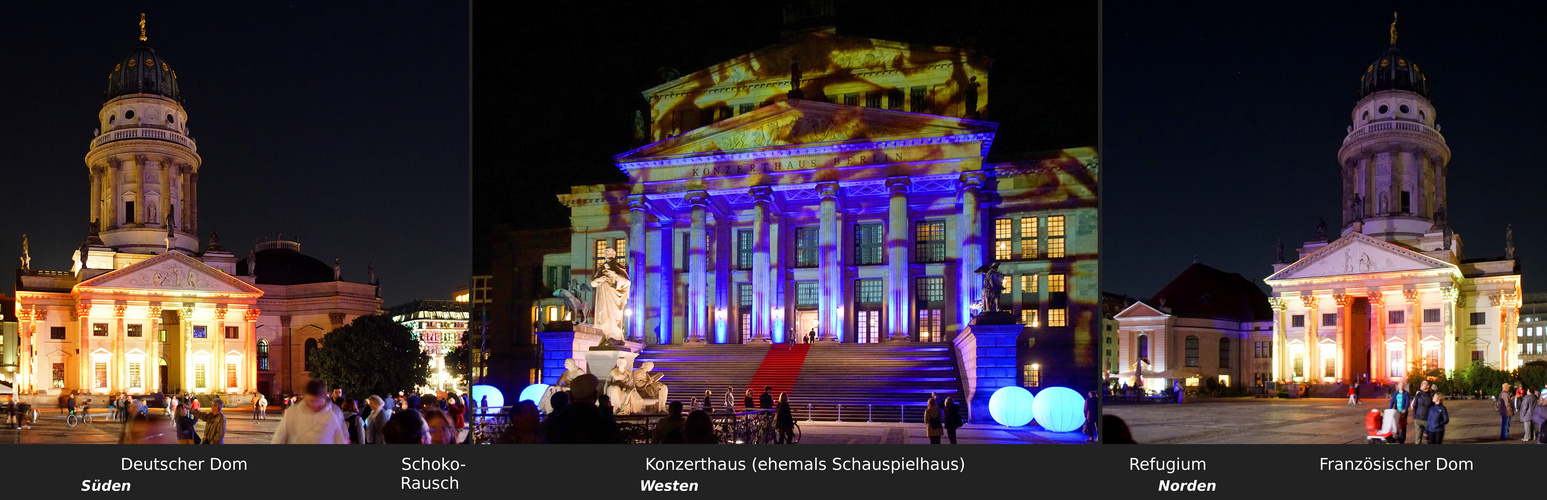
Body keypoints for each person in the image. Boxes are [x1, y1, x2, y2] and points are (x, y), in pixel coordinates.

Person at [272, 379, 348, 444]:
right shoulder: (292, 413)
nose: (314, 405)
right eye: (311, 400)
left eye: (318, 401)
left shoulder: (333, 416)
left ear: (324, 398)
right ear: (306, 396)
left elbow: (341, 441)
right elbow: (278, 439)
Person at [1410, 380, 1435, 444]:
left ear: (1428, 386)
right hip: (1418, 419)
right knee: (1418, 438)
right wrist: (1414, 417)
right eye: (1421, 383)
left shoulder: (1431, 395)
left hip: (1427, 420)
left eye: (1423, 383)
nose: (1421, 384)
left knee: (1430, 438)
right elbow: (1414, 406)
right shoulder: (1418, 394)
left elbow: (1434, 407)